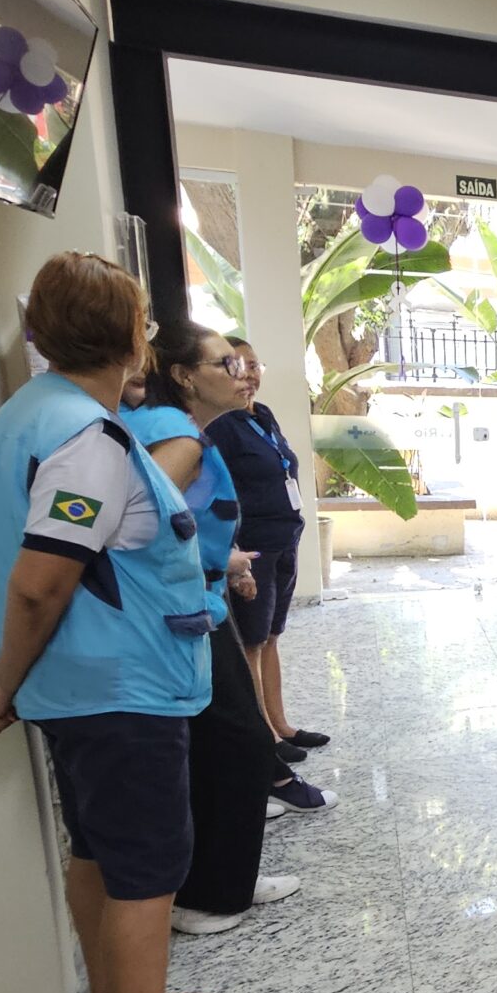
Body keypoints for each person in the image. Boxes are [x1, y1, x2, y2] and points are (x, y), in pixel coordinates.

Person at [0, 252, 263, 993]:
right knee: (147, 872)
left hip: (81, 685)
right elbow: (42, 579)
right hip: (116, 691)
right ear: (134, 337)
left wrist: (15, 670)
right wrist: (3, 678)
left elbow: (3, 558)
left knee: (95, 850)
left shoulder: (28, 416)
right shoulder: (85, 438)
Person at [126, 321, 306, 936]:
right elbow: (135, 532)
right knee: (235, 741)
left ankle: (225, 879)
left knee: (227, 742)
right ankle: (208, 894)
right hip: (175, 613)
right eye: (226, 364)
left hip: (196, 603)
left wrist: (221, 562)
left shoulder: (181, 430)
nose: (241, 373)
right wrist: (215, 561)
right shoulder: (176, 438)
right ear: (183, 376)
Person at [208, 339, 325, 764]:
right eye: (238, 365)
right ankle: (264, 740)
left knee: (271, 636)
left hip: (284, 540)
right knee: (251, 643)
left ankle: (281, 724)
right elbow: (215, 492)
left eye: (255, 364)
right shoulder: (221, 425)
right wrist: (234, 552)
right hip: (252, 550)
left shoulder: (264, 415)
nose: (250, 373)